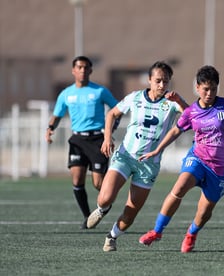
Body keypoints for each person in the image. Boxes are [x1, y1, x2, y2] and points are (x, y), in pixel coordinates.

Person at [138, 65, 224, 253]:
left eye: (214, 89)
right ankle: (157, 231)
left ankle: (191, 233)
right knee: (179, 187)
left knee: (204, 212)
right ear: (198, 87)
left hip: (220, 168)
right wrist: (157, 150)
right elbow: (176, 130)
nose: (210, 93)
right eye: (206, 89)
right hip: (197, 159)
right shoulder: (192, 111)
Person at [86, 61, 189, 252]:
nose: (161, 85)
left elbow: (193, 117)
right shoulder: (135, 98)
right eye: (158, 80)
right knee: (105, 198)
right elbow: (112, 114)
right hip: (126, 156)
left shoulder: (172, 102)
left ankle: (112, 236)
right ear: (149, 80)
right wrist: (107, 138)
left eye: (165, 81)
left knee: (131, 212)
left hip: (149, 165)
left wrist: (181, 102)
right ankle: (102, 209)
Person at [45, 56, 118, 229]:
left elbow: (117, 110)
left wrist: (110, 131)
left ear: (91, 71)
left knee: (98, 184)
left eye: (86, 67)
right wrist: (50, 128)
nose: (83, 70)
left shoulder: (100, 91)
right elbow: (57, 114)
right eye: (79, 67)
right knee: (77, 180)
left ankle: (106, 203)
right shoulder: (66, 94)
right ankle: (88, 217)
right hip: (77, 139)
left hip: (97, 140)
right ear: (73, 70)